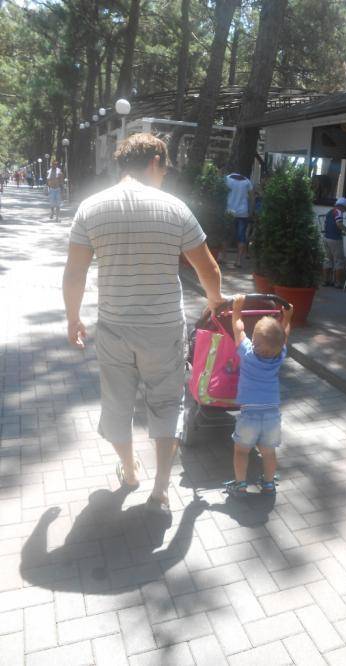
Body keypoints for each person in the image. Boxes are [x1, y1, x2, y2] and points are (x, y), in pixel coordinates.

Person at [62, 132, 225, 515]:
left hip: (114, 327)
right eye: (165, 169)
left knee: (117, 404)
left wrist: (73, 318)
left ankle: (130, 470)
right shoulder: (175, 208)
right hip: (163, 329)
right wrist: (215, 304)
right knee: (166, 404)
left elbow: (74, 273)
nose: (164, 176)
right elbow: (208, 269)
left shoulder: (90, 208)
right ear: (154, 162)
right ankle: (161, 489)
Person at [225, 294, 293, 497]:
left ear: (253, 341)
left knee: (241, 450)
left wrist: (237, 310)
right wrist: (287, 318)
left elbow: (238, 328)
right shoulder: (279, 356)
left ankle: (240, 485)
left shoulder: (247, 353)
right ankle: (269, 484)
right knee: (268, 452)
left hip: (249, 415)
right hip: (272, 415)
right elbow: (284, 335)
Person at [322, 196, 346, 288]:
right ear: (343, 206)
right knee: (339, 261)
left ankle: (326, 281)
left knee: (327, 260)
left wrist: (339, 231)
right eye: (345, 209)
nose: (344, 211)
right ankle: (338, 283)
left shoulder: (329, 212)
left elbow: (328, 225)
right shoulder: (338, 212)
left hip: (326, 238)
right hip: (335, 239)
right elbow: (339, 224)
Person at [224, 172, 253, 268]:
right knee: (241, 236)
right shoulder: (247, 182)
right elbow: (251, 197)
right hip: (243, 213)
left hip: (229, 211)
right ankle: (238, 260)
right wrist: (251, 211)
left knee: (226, 235)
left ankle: (223, 257)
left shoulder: (227, 179)